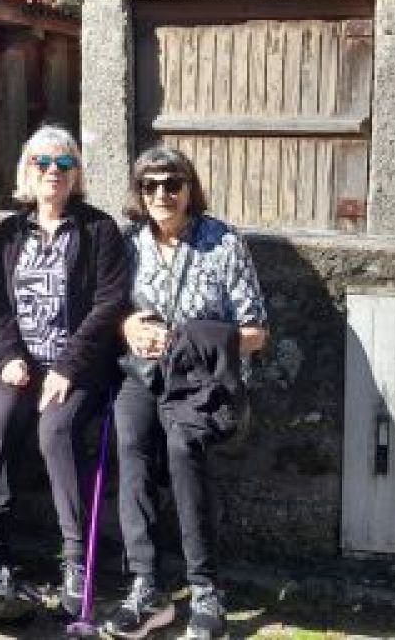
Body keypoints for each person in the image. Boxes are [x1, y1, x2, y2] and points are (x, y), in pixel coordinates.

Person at [103, 146, 268, 640]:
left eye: (172, 184)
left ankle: (205, 589)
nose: (161, 195)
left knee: (182, 446)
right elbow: (106, 309)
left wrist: (193, 340)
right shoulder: (129, 242)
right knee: (129, 439)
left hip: (203, 381)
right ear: (138, 193)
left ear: (189, 189)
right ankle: (147, 586)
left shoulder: (223, 243)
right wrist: (128, 324)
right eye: (149, 186)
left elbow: (257, 331)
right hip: (143, 373)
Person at [0, 125, 128, 617]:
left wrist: (66, 366)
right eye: (42, 163)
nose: (53, 172)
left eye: (64, 164)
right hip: (21, 362)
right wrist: (9, 356)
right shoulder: (10, 232)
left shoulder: (99, 230)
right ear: (26, 171)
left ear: (76, 173)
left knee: (54, 431)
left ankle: (74, 555)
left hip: (76, 368)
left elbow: (108, 304)